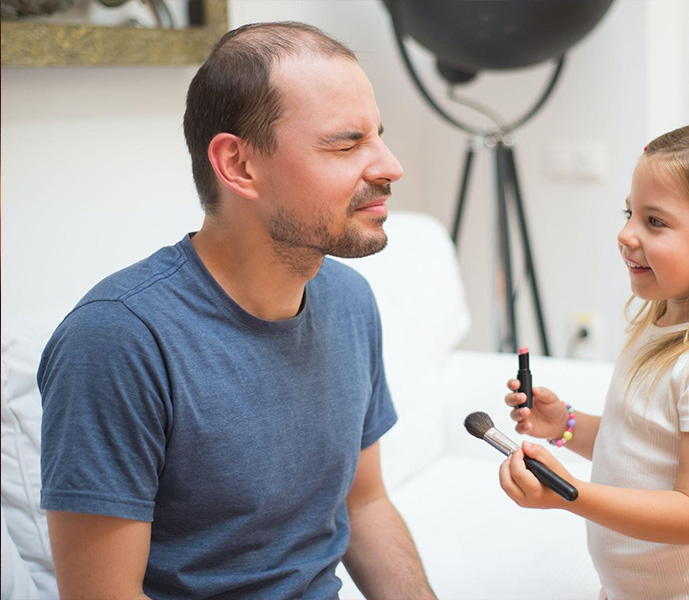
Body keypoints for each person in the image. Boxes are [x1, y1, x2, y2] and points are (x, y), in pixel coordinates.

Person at [38, 21, 436, 599]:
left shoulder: (350, 301)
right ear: (239, 165)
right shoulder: (118, 339)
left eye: (378, 136)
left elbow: (365, 503)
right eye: (347, 144)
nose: (390, 166)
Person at [499, 121, 689, 600]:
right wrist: (564, 425)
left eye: (654, 221)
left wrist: (569, 493)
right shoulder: (658, 325)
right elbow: (636, 449)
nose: (625, 234)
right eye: (629, 212)